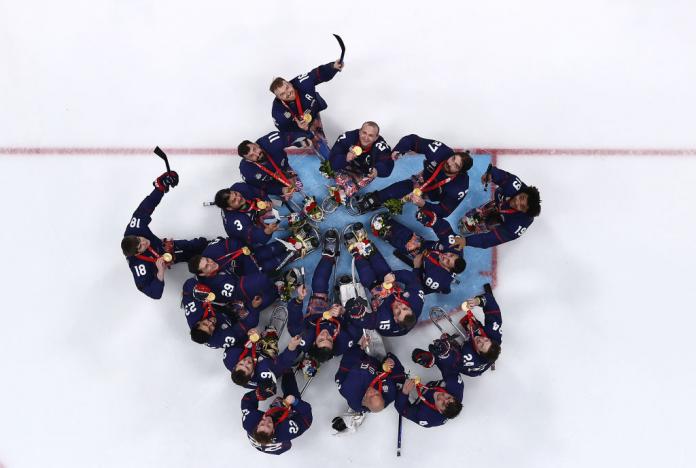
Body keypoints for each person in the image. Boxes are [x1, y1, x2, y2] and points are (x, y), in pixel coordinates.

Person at [121, 171, 207, 299]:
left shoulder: (135, 228)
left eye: (140, 239)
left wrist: (160, 186)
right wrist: (160, 272)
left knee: (200, 244)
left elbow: (147, 206)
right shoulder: (138, 265)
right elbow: (154, 293)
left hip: (166, 246)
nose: (144, 242)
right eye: (140, 247)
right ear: (137, 253)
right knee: (195, 259)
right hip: (167, 258)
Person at [286, 229, 362, 373]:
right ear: (334, 343)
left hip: (316, 315)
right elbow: (358, 325)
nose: (326, 335)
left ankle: (328, 255)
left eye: (321, 339)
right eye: (330, 339)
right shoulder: (344, 343)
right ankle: (343, 290)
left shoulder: (304, 338)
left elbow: (293, 319)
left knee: (319, 283)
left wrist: (299, 299)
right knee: (352, 300)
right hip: (339, 318)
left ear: (314, 342)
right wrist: (344, 311)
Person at [353, 134, 473, 220]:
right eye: (453, 158)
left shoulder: (459, 187)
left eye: (456, 166)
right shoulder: (441, 151)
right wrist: (399, 150)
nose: (450, 163)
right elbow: (412, 140)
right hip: (422, 179)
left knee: (424, 218)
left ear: (460, 172)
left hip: (433, 194)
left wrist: (423, 204)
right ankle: (376, 199)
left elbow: (444, 211)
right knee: (395, 190)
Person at [344, 224, 425, 336]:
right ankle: (365, 241)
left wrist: (356, 311)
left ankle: (355, 252)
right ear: (410, 308)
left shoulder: (385, 320)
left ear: (395, 319)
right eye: (405, 307)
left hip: (378, 296)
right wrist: (395, 276)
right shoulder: (416, 302)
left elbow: (364, 321)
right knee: (382, 267)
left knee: (366, 276)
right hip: (391, 285)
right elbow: (412, 279)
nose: (399, 306)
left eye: (398, 311)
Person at [412, 284, 502, 377]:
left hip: (470, 367)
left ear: (478, 352)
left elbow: (453, 363)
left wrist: (444, 352)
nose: (481, 340)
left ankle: (432, 361)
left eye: (481, 345)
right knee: (472, 326)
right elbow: (494, 311)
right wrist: (479, 301)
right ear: (490, 339)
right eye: (486, 340)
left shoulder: (469, 356)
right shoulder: (494, 335)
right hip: (485, 355)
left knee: (446, 350)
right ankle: (490, 358)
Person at [371, 212, 465, 295]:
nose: (446, 256)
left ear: (447, 269)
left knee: (406, 247)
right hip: (427, 248)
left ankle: (386, 235)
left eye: (447, 261)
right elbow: (444, 229)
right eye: (451, 255)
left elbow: (419, 287)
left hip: (426, 266)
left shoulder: (436, 280)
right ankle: (390, 223)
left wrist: (416, 267)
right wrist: (430, 221)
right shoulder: (456, 246)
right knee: (412, 238)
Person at [270, 60, 344, 158]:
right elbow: (285, 133)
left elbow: (318, 74)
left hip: (312, 112)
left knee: (320, 136)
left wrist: (332, 67)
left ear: (290, 83)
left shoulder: (302, 82)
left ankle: (324, 146)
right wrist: (301, 131)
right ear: (278, 98)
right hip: (299, 128)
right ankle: (326, 158)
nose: (287, 93)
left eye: (287, 88)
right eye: (282, 94)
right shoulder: (278, 112)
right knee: (315, 141)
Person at [455, 166, 541, 248]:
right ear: (523, 191)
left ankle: (484, 224)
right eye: (521, 197)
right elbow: (500, 175)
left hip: (504, 220)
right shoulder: (515, 186)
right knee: (488, 209)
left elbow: (491, 239)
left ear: (524, 212)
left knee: (490, 224)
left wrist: (467, 241)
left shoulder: (517, 225)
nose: (517, 202)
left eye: (521, 206)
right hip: (499, 202)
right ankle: (483, 212)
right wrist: (490, 175)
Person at [187, 239, 278, 313]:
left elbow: (233, 243)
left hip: (247, 263)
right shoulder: (214, 286)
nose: (211, 262)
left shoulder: (211, 250)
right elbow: (241, 289)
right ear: (202, 274)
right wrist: (263, 276)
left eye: (207, 260)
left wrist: (246, 249)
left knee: (272, 249)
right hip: (249, 287)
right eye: (206, 266)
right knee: (272, 270)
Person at [241, 371, 313, 455]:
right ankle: (288, 373)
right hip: (284, 441)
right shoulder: (285, 431)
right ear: (274, 430)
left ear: (256, 427)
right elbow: (307, 416)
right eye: (269, 425)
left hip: (263, 438)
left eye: (262, 424)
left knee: (276, 403)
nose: (267, 421)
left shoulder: (249, 421)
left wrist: (260, 393)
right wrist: (295, 401)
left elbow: (247, 400)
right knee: (289, 396)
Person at [238, 131, 312, 201]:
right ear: (248, 160)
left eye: (255, 149)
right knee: (284, 199)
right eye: (251, 156)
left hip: (284, 167)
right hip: (273, 181)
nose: (257, 154)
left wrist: (305, 141)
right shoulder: (247, 171)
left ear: (257, 144)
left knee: (300, 184)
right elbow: (262, 188)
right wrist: (281, 190)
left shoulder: (272, 142)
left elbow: (293, 137)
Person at [181, 278, 254, 349]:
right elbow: (245, 327)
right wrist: (253, 308)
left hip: (216, 303)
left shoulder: (193, 314)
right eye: (210, 329)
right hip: (231, 319)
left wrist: (196, 290)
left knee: (207, 289)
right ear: (211, 334)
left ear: (198, 323)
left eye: (205, 324)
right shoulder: (218, 340)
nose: (210, 323)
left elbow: (187, 288)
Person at [326, 122, 394, 197]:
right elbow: (333, 159)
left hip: (366, 172)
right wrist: (345, 158)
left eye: (371, 135)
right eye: (364, 133)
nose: (366, 137)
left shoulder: (381, 146)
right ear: (359, 131)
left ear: (376, 137)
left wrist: (377, 170)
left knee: (348, 192)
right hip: (348, 165)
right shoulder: (348, 137)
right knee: (331, 175)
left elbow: (387, 165)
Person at [334, 344, 405, 414]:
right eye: (377, 394)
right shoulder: (390, 394)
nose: (373, 392)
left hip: (359, 352)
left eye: (371, 396)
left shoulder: (348, 389)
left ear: (364, 401)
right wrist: (390, 360)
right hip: (378, 360)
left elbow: (346, 363)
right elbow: (399, 376)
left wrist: (360, 348)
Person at [225, 330, 302, 391]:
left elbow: (238, 339)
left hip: (253, 355)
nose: (246, 361)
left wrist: (248, 334)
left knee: (261, 335)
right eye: (247, 367)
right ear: (252, 374)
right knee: (271, 335)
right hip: (268, 364)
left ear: (235, 366)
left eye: (241, 364)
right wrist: (292, 345)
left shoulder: (229, 357)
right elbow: (284, 361)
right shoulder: (264, 370)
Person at [396, 364, 464, 428]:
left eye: (443, 403)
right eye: (448, 397)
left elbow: (402, 410)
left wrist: (404, 393)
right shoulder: (455, 385)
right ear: (453, 396)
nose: (442, 396)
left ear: (440, 411)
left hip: (420, 402)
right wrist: (432, 359)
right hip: (430, 385)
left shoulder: (427, 417)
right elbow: (449, 366)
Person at [214, 182, 279, 247]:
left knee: (282, 205)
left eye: (236, 194)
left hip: (256, 214)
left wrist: (267, 202)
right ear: (229, 208)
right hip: (256, 238)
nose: (238, 198)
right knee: (282, 229)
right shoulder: (234, 222)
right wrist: (267, 231)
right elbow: (254, 235)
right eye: (234, 200)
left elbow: (261, 193)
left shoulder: (239, 187)